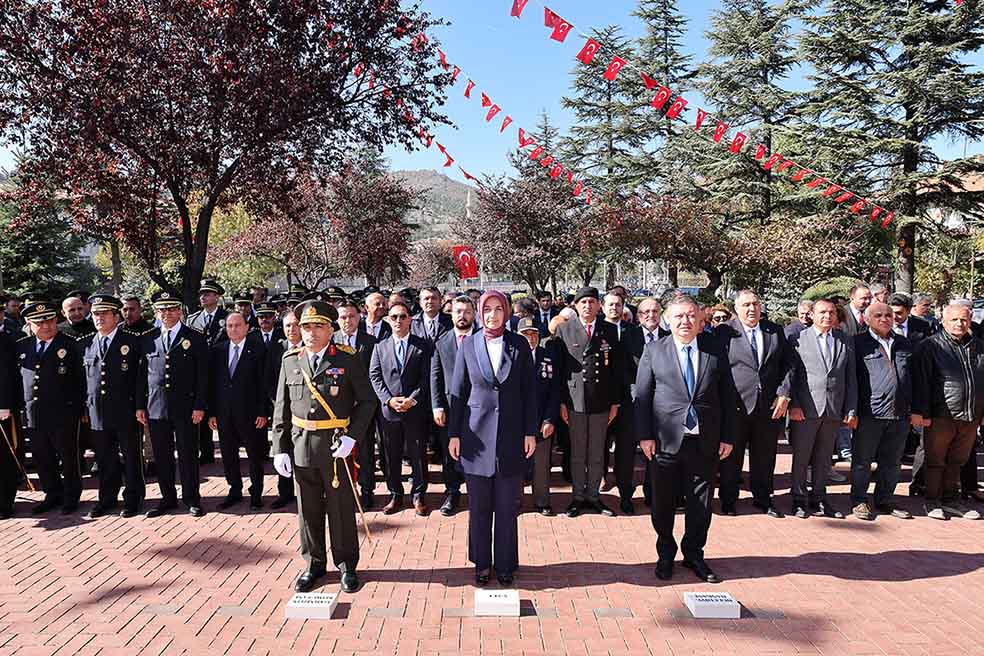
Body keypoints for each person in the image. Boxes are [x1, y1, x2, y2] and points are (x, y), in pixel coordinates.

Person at [272, 301, 377, 593]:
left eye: (318, 326)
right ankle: (314, 564)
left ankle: (346, 565)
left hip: (335, 447)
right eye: (306, 327)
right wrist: (279, 447)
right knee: (308, 510)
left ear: (331, 329)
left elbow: (368, 401)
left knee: (341, 509)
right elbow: (281, 408)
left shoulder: (346, 358)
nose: (311, 333)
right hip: (301, 445)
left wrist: (352, 437)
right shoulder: (290, 360)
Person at [635, 295, 737, 584]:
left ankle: (694, 553)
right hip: (664, 441)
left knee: (701, 504)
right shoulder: (654, 351)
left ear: (701, 320)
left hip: (704, 440)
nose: (685, 321)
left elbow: (728, 396)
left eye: (691, 316)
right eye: (679, 316)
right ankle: (665, 553)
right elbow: (642, 397)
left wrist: (728, 436)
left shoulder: (714, 349)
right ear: (668, 319)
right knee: (663, 503)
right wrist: (644, 436)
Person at [448, 290, 537, 586]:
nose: (493, 315)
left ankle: (506, 564)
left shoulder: (519, 344)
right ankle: (482, 563)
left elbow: (529, 392)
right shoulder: (469, 344)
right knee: (480, 506)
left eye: (499, 309)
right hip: (475, 437)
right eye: (487, 309)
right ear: (479, 312)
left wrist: (529, 432)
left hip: (511, 436)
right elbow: (458, 392)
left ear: (507, 312)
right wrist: (454, 435)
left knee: (507, 506)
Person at [715, 290, 792, 518]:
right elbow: (716, 369)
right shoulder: (724, 332)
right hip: (734, 406)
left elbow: (788, 365)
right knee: (731, 456)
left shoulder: (774, 331)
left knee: (765, 456)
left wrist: (784, 393)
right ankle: (728, 500)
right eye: (746, 305)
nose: (752, 309)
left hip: (768, 406)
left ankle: (763, 499)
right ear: (737, 308)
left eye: (755, 304)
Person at [136, 291, 209, 518]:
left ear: (179, 311)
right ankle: (167, 499)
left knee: (188, 454)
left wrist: (200, 405)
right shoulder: (148, 338)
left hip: (186, 407)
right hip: (156, 407)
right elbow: (141, 376)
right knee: (162, 456)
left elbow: (203, 376)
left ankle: (192, 499)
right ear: (156, 312)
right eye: (162, 310)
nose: (166, 314)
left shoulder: (195, 337)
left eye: (171, 309)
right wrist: (140, 406)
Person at [912, 302, 984, 520]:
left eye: (964, 319)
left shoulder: (979, 346)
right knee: (935, 461)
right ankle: (932, 501)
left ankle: (952, 500)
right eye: (954, 319)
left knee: (958, 460)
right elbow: (921, 382)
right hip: (941, 414)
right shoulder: (930, 346)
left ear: (970, 321)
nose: (959, 324)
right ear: (943, 320)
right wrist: (920, 412)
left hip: (971, 414)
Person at [787, 299, 857, 519]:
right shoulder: (797, 339)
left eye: (831, 312)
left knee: (824, 458)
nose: (827, 316)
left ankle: (819, 498)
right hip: (806, 408)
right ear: (812, 315)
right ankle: (798, 499)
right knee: (801, 457)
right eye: (822, 312)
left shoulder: (844, 340)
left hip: (833, 409)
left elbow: (850, 377)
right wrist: (794, 405)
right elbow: (792, 375)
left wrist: (851, 408)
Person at [555, 287, 622, 517]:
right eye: (583, 302)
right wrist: (562, 402)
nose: (587, 306)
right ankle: (577, 496)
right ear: (576, 305)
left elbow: (615, 370)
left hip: (601, 400)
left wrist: (615, 402)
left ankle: (593, 496)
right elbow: (561, 370)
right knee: (577, 452)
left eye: (592, 302)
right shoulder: (565, 330)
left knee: (596, 452)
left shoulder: (609, 330)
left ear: (599, 305)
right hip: (575, 400)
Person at [16, 299, 85, 514]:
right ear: (29, 323)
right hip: (33, 413)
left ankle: (72, 496)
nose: (46, 326)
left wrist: (79, 409)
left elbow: (80, 380)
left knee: (68, 456)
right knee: (42, 456)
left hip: (63, 413)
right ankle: (52, 493)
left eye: (50, 321)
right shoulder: (22, 346)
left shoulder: (70, 344)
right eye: (40, 322)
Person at [78, 295, 144, 519]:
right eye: (96, 314)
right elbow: (82, 381)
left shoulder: (133, 341)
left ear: (117, 316)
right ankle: (106, 499)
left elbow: (139, 379)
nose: (99, 318)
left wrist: (139, 407)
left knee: (131, 457)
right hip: (97, 412)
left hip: (126, 411)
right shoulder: (85, 343)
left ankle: (133, 499)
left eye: (104, 314)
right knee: (105, 459)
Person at [850, 302, 916, 520]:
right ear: (867, 319)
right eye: (878, 315)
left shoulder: (904, 343)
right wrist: (852, 410)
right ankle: (859, 500)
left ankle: (885, 500)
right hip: (869, 413)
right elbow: (851, 380)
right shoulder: (858, 344)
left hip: (899, 414)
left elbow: (912, 378)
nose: (885, 318)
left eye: (888, 315)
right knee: (862, 461)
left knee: (892, 462)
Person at [369, 300, 431, 516]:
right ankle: (395, 494)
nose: (398, 320)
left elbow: (427, 377)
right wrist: (388, 400)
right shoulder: (380, 347)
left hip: (415, 410)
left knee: (418, 455)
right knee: (391, 455)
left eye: (402, 316)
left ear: (410, 320)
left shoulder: (423, 345)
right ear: (388, 319)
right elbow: (375, 377)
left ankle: (418, 495)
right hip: (389, 413)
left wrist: (413, 399)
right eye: (393, 317)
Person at [209, 312, 270, 511]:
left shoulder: (258, 350)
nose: (233, 329)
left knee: (254, 454)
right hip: (225, 414)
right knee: (228, 454)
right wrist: (212, 413)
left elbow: (263, 383)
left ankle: (256, 493)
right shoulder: (217, 351)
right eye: (229, 326)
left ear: (246, 328)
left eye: (237, 325)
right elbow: (212, 386)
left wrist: (263, 412)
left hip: (251, 414)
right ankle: (234, 489)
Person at [430, 295, 476, 516]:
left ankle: (478, 494)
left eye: (467, 311)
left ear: (474, 313)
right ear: (451, 313)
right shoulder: (443, 341)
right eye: (458, 311)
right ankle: (452, 492)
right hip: (449, 408)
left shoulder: (483, 338)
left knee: (478, 451)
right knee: (450, 453)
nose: (462, 316)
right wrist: (437, 406)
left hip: (479, 408)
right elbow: (435, 376)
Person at [333, 300, 378, 509]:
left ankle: (367, 490)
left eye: (351, 316)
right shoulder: (330, 341)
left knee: (365, 450)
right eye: (343, 317)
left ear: (359, 317)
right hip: (337, 407)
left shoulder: (370, 342)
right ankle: (343, 490)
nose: (347, 321)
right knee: (339, 449)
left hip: (363, 406)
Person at [515, 317, 562, 515]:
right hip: (516, 421)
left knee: (541, 464)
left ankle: (542, 500)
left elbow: (555, 391)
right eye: (525, 334)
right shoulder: (510, 356)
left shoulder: (547, 356)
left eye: (534, 334)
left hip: (542, 420)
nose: (530, 338)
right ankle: (515, 499)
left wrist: (550, 419)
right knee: (516, 463)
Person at [602, 291, 641, 511]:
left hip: (627, 401)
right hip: (601, 401)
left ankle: (626, 494)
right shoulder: (596, 330)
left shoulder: (633, 333)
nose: (614, 308)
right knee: (600, 447)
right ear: (603, 306)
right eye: (610, 304)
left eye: (618, 305)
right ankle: (598, 484)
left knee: (625, 450)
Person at [265, 310, 303, 509]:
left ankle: (304, 492)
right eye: (287, 325)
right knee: (283, 448)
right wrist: (277, 403)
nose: (291, 329)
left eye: (295, 325)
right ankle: (284, 492)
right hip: (280, 408)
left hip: (302, 411)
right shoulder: (276, 348)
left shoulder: (309, 348)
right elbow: (268, 379)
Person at [0, 312, 21, 518]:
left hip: (3, 411)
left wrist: (4, 405)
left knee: (5, 457)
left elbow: (9, 375)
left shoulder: (10, 338)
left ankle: (5, 503)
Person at [186, 279, 229, 346]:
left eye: (206, 295)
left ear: (216, 297)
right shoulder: (192, 320)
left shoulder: (228, 317)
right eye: (201, 295)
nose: (202, 298)